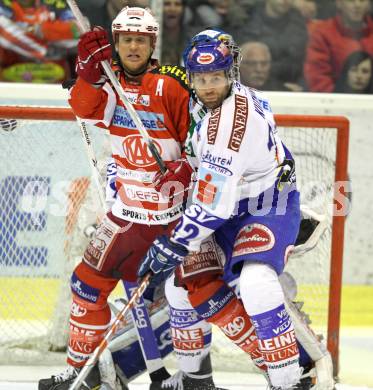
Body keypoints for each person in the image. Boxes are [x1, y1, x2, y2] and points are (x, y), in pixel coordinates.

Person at [38, 6, 193, 390]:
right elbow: (84, 111)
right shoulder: (109, 81)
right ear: (118, 43)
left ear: (152, 44)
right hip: (126, 214)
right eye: (126, 39)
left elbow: (202, 142)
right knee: (86, 285)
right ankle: (83, 372)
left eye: (141, 40)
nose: (134, 46)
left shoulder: (171, 85)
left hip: (171, 216)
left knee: (200, 294)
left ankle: (200, 376)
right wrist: (88, 74)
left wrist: (186, 169)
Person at [138, 37, 306, 389]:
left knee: (256, 282)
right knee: (178, 289)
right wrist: (188, 169)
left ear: (229, 74)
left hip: (266, 204)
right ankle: (195, 379)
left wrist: (175, 244)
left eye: (215, 77)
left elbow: (214, 204)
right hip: (231, 203)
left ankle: (288, 381)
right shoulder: (227, 99)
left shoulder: (228, 125)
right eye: (200, 78)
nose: (208, 86)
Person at [0, 0, 80, 83]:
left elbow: (78, 29)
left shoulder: (55, 3)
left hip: (55, 73)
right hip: (8, 74)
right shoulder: (3, 5)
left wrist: (39, 30)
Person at [304, 0, 373, 92]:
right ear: (339, 3)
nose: (357, 5)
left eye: (362, 0)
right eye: (351, 1)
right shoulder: (323, 33)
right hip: (335, 101)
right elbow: (317, 78)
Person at [240, 0, 308, 87]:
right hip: (255, 84)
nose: (285, 1)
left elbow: (300, 62)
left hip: (292, 82)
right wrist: (280, 86)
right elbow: (248, 65)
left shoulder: (299, 23)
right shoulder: (247, 19)